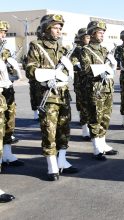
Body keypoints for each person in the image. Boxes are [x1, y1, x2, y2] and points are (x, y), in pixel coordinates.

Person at [26, 14, 79, 181]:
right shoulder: (37, 46)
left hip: (63, 95)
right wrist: (50, 75)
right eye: (55, 27)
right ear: (46, 29)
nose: (58, 31)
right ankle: (51, 165)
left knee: (64, 129)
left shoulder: (63, 48)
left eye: (60, 28)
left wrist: (70, 67)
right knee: (49, 131)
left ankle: (62, 160)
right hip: (47, 96)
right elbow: (30, 69)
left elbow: (74, 65)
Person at [80, 20, 119, 160]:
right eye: (100, 32)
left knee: (105, 117)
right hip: (94, 89)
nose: (102, 35)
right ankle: (96, 147)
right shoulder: (85, 50)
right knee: (95, 117)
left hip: (107, 88)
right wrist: (102, 69)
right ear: (92, 33)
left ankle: (103, 143)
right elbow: (85, 68)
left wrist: (112, 65)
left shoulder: (104, 50)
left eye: (103, 33)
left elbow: (110, 69)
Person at [0, 20, 24, 167]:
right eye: (0, 32)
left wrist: (12, 69)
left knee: (9, 122)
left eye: (4, 33)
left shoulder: (5, 51)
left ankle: (7, 154)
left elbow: (11, 74)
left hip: (8, 91)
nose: (3, 35)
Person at [71, 28, 91, 140]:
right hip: (80, 81)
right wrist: (79, 65)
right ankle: (85, 130)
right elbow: (73, 61)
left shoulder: (90, 48)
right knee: (83, 104)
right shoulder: (77, 49)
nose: (89, 39)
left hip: (91, 81)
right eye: (86, 37)